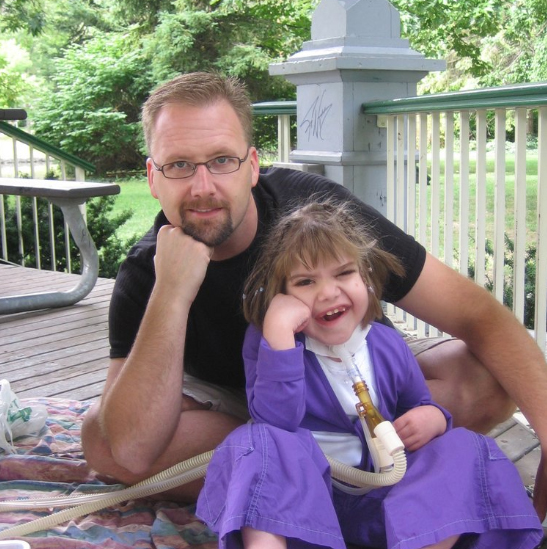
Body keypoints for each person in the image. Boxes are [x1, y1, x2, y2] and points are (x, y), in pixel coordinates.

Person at [81, 71, 547, 521]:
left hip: (350, 379)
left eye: (222, 160)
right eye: (179, 165)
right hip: (234, 407)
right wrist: (172, 292)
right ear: (153, 176)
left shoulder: (317, 214)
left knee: (490, 376)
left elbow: (476, 313)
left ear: (252, 165)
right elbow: (127, 447)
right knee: (103, 441)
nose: (203, 187)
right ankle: (328, 470)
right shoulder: (146, 269)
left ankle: (295, 475)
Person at [195, 198, 544, 549]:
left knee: (465, 447)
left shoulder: (386, 344)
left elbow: (418, 401)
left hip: (388, 508)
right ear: (280, 294)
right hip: (303, 515)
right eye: (305, 282)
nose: (328, 292)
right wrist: (279, 336)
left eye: (344, 273)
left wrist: (432, 417)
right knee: (256, 442)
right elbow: (276, 421)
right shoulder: (272, 342)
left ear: (368, 278)